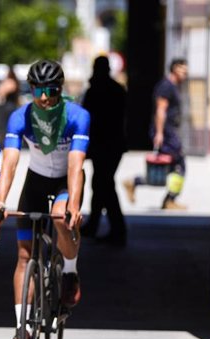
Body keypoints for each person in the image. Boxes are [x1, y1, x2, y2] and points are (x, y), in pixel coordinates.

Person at [0, 59, 90, 339]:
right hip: (35, 181)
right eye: (39, 91)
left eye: (51, 91)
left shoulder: (77, 115)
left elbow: (76, 164)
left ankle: (70, 271)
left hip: (65, 181)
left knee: (62, 218)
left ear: (60, 90)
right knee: (24, 256)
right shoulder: (19, 117)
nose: (45, 97)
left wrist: (74, 203)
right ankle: (22, 328)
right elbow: (9, 161)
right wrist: (0, 199)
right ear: (31, 90)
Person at [123, 58, 189, 210]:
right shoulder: (166, 87)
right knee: (178, 165)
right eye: (182, 70)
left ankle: (138, 184)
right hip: (166, 132)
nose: (185, 74)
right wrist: (159, 133)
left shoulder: (172, 86)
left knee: (172, 167)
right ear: (174, 69)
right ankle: (168, 199)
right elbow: (160, 110)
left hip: (168, 131)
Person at [80, 56, 127, 246]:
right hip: (113, 145)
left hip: (104, 145)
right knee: (101, 184)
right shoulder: (117, 90)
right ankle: (98, 224)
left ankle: (117, 229)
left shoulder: (96, 90)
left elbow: (88, 120)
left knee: (104, 185)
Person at [0, 67, 21, 143]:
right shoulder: (16, 82)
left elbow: (1, 92)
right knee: (10, 125)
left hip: (6, 107)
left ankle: (2, 142)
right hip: (12, 106)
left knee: (2, 126)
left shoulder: (9, 82)